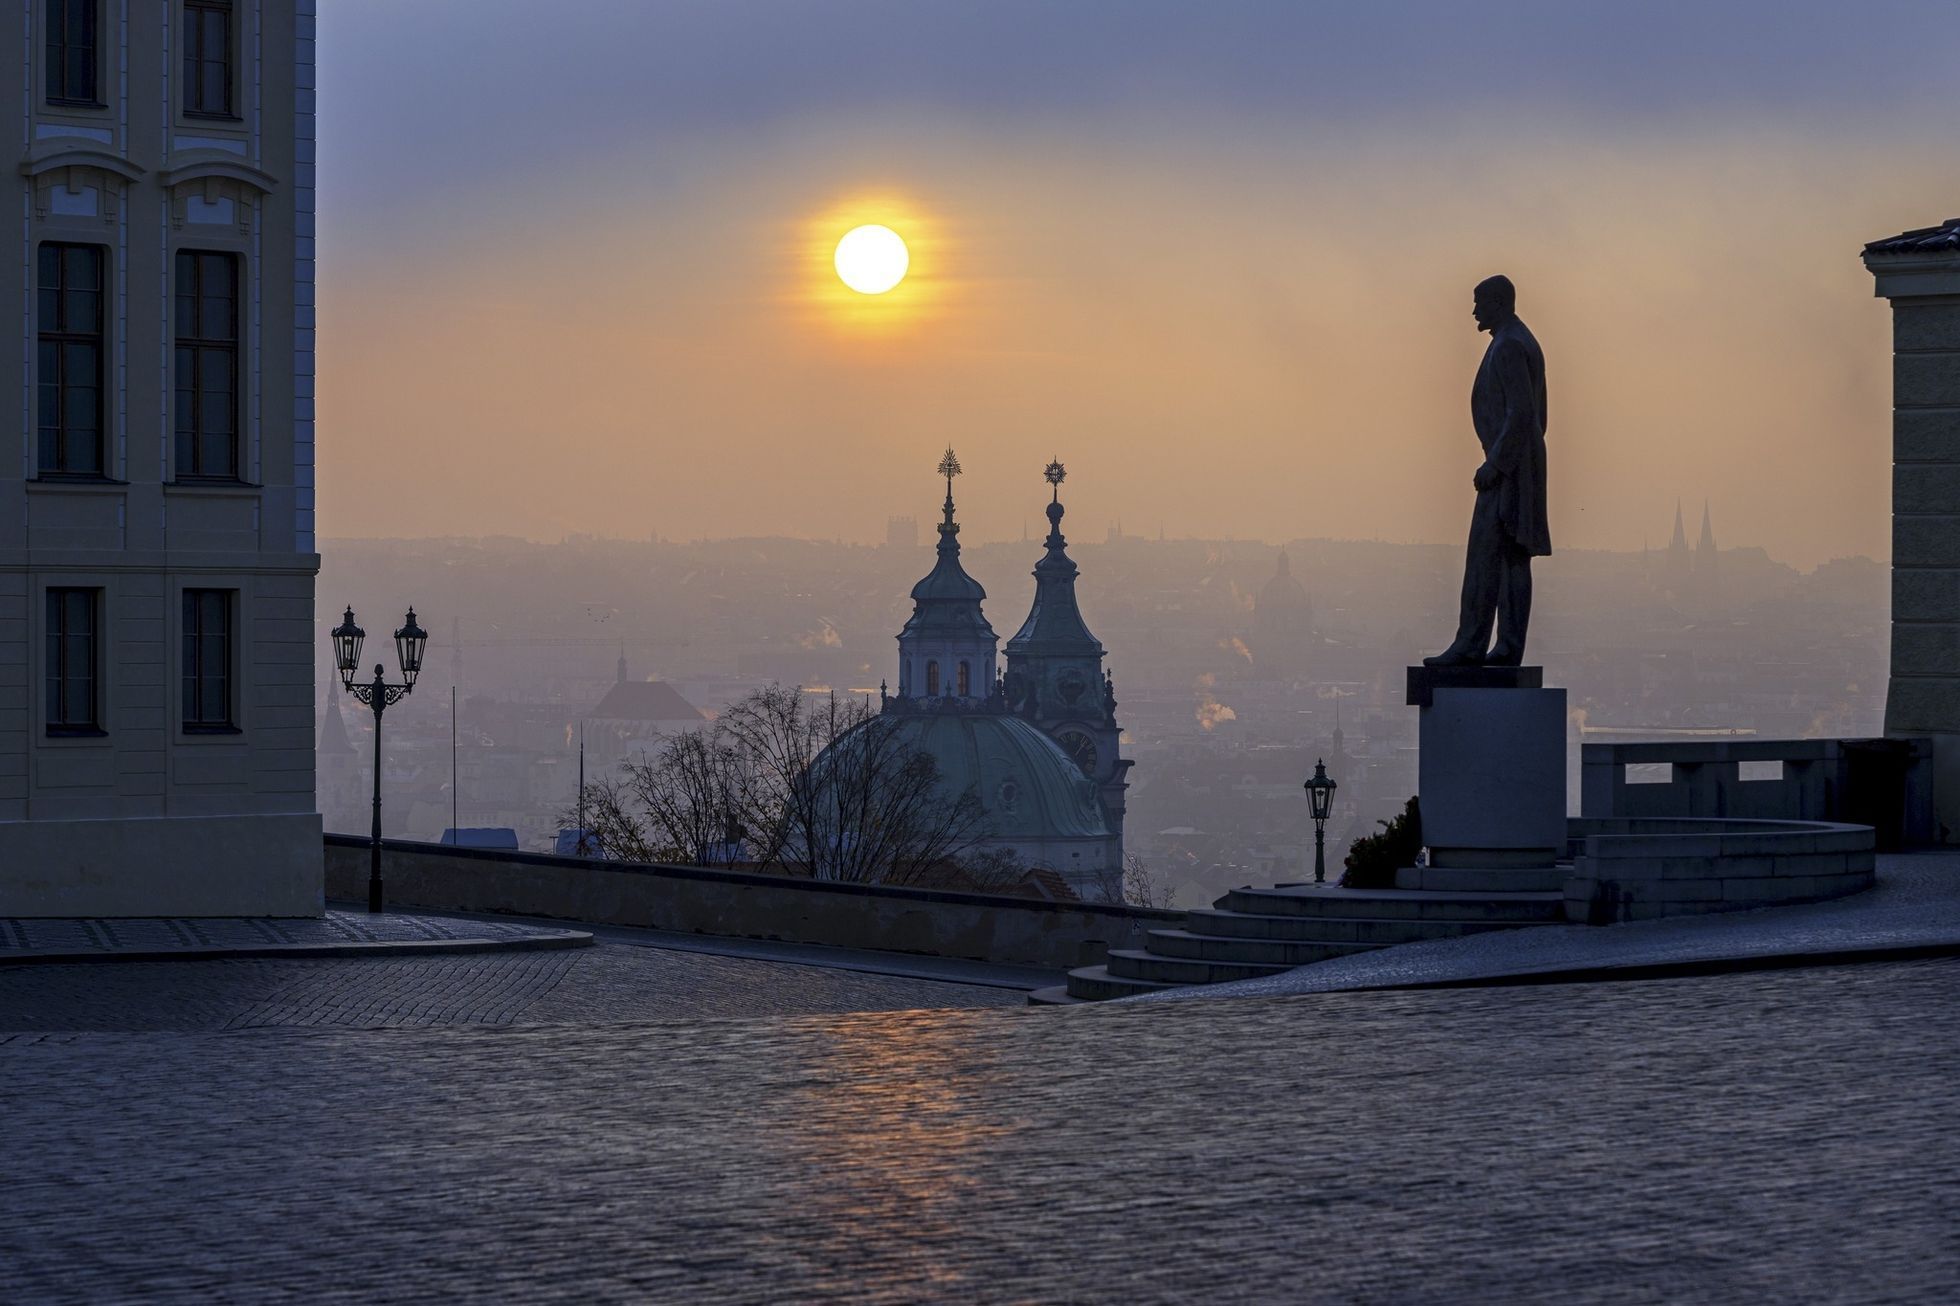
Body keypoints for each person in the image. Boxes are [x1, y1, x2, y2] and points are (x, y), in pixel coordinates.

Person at [1424, 274, 1550, 667]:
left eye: (1480, 302)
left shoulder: (1510, 345)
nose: (1475, 310)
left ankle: (1471, 644)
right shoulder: (1515, 340)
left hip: (1507, 469)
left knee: (1486, 555)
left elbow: (1523, 413)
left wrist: (1496, 463)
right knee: (1512, 558)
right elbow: (1534, 416)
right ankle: (1506, 646)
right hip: (1519, 465)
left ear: (1499, 302)